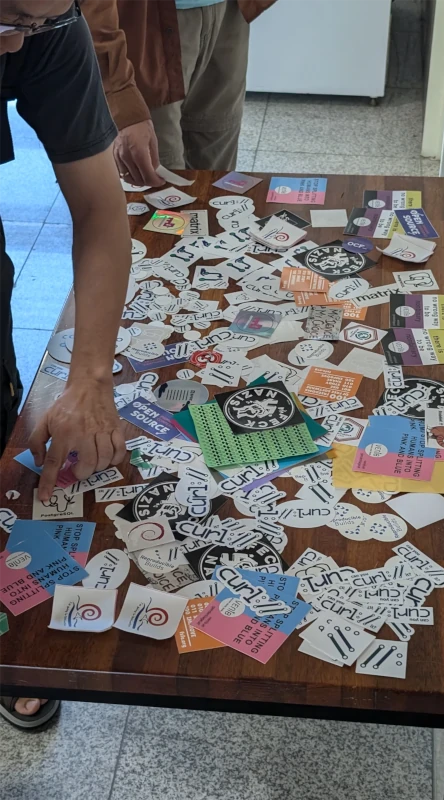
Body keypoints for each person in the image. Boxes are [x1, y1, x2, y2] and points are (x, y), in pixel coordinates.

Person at [0, 0, 131, 729]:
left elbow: (101, 211)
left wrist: (89, 378)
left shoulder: (46, 22)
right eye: (8, 16)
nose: (20, 37)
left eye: (43, 19)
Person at [82, 0, 276, 186]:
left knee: (218, 179)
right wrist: (118, 96)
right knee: (158, 177)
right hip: (146, 20)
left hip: (229, 13)